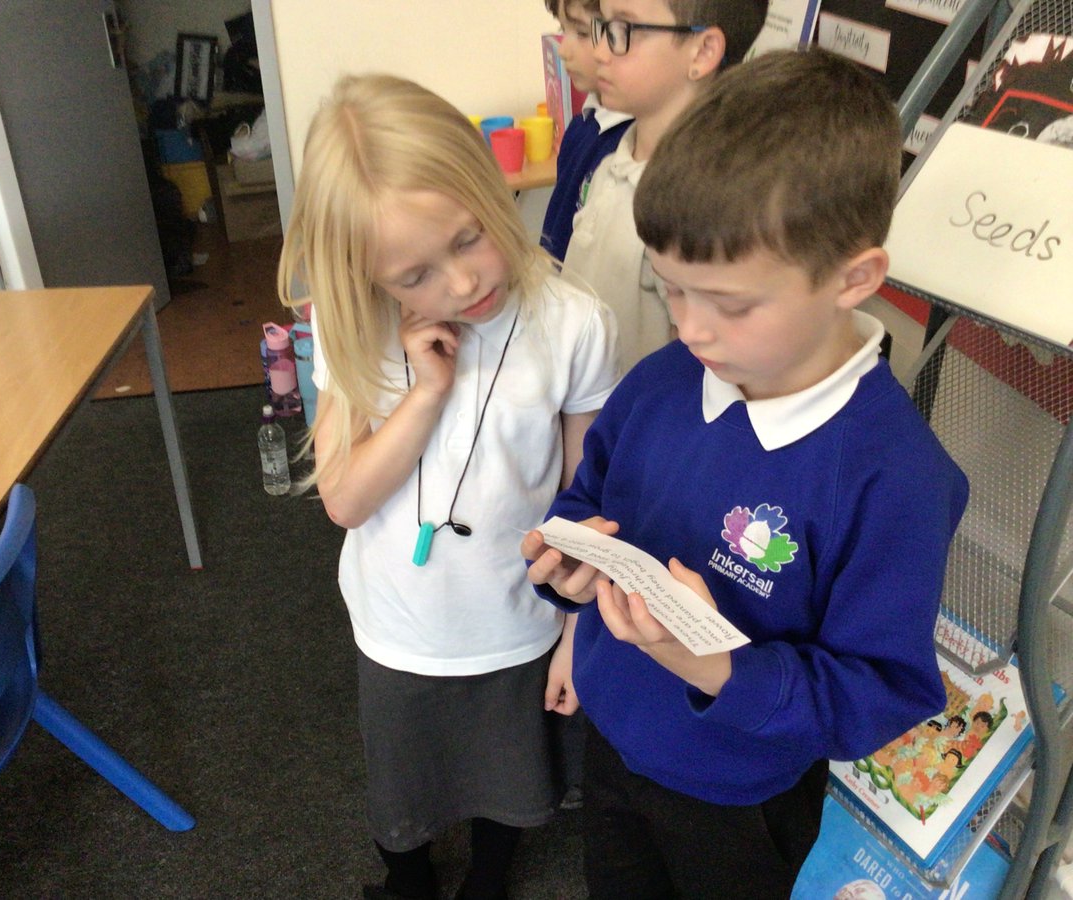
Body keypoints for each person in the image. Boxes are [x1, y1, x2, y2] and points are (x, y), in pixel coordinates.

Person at [521, 49, 970, 898]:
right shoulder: (661, 382)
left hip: (742, 796)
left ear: (854, 278)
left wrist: (714, 665)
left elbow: (880, 693)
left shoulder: (895, 479)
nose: (691, 328)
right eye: (672, 288)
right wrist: (567, 566)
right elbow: (590, 498)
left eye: (729, 303)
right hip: (615, 741)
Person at [277, 73, 620, 900]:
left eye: (469, 238)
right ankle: (408, 881)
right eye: (414, 276)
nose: (461, 286)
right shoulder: (350, 319)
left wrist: (578, 631)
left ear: (489, 185)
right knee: (403, 785)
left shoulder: (573, 322)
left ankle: (489, 882)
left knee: (513, 774)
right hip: (399, 622)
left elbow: (586, 495)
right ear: (369, 277)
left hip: (517, 617)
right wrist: (425, 393)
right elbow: (345, 500)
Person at [560, 0, 768, 372]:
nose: (600, 50)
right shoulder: (614, 162)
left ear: (702, 52)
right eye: (602, 26)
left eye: (623, 31)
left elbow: (697, 370)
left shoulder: (701, 202)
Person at [540, 0, 632, 262]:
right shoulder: (582, 125)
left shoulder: (631, 143)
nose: (563, 50)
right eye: (562, 29)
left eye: (581, 33)